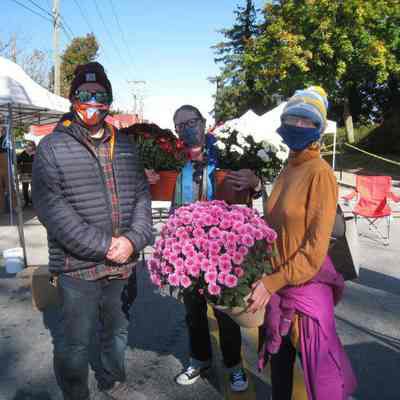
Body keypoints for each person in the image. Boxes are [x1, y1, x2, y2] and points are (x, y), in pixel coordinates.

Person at [32, 62, 153, 400]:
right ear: (73, 99)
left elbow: (143, 195)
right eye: (86, 95)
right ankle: (75, 393)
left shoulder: (126, 145)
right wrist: (104, 245)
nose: (93, 102)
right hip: (78, 267)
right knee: (74, 340)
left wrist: (132, 240)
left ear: (110, 100)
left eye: (101, 95)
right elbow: (51, 210)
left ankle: (114, 380)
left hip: (123, 264)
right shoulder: (52, 148)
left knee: (117, 332)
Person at [248, 87, 357, 399]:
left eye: (307, 121)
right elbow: (276, 224)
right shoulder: (287, 168)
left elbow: (313, 248)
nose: (297, 125)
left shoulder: (320, 173)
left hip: (305, 289)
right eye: (292, 118)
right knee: (279, 374)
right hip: (276, 286)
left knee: (321, 379)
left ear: (319, 128)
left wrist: (273, 281)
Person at [146, 105, 262, 392]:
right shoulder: (174, 161)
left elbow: (254, 187)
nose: (186, 128)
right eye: (179, 125)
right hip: (186, 249)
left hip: (222, 249)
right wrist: (149, 180)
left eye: (191, 122)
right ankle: (199, 359)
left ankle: (234, 366)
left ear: (204, 122)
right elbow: (167, 196)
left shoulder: (228, 152)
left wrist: (256, 182)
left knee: (226, 312)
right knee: (194, 312)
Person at [17, 140, 36, 207]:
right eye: (27, 145)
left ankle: (33, 201)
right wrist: (20, 168)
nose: (28, 146)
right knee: (25, 188)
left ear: (33, 146)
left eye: (30, 145)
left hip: (34, 173)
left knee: (34, 188)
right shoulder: (23, 153)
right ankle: (26, 201)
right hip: (24, 173)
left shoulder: (36, 154)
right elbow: (18, 162)